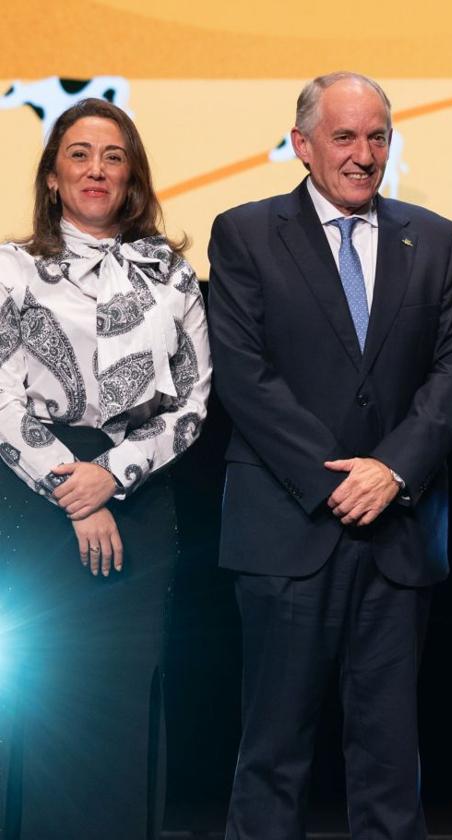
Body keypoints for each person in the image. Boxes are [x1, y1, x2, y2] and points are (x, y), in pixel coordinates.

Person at [207, 72, 452, 840]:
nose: (364, 155)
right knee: (272, 757)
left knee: (391, 765)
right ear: (301, 145)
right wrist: (334, 478)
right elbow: (242, 373)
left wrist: (390, 470)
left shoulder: (436, 237)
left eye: (378, 137)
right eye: (345, 137)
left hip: (397, 533)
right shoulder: (246, 231)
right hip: (286, 529)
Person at [0, 98, 211, 839]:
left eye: (113, 156)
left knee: (123, 702)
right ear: (54, 176)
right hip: (37, 505)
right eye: (80, 154)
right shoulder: (12, 269)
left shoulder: (171, 274)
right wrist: (76, 490)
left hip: (141, 501)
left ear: (132, 177)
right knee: (44, 705)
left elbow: (193, 399)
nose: (96, 169)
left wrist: (114, 477)